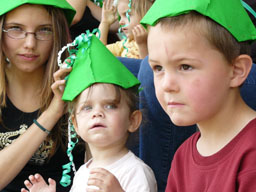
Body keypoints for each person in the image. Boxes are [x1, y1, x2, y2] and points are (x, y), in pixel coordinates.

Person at [140, 0, 256, 191]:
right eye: (158, 68)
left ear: (236, 70)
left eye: (185, 66)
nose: (166, 84)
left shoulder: (251, 156)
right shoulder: (183, 155)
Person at [21, 33, 157, 192]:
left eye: (110, 106)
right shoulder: (82, 172)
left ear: (133, 120)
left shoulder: (136, 172)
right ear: (75, 124)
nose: (97, 113)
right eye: (87, 107)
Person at [0, 1, 85, 191]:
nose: (30, 43)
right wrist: (52, 113)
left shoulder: (79, 84)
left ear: (58, 35)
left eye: (44, 30)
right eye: (16, 28)